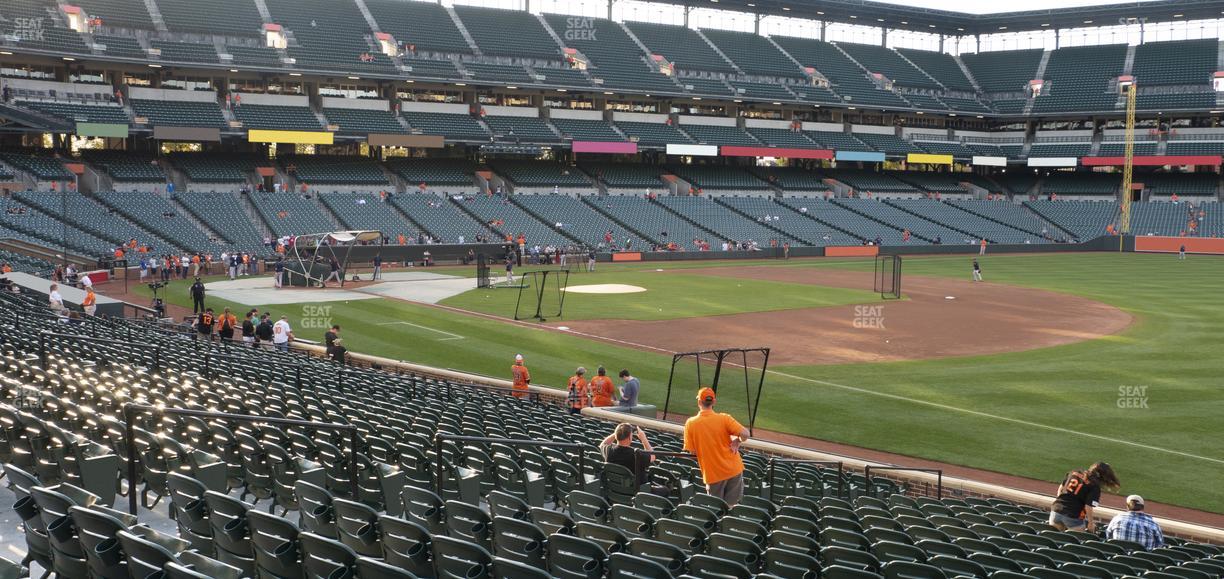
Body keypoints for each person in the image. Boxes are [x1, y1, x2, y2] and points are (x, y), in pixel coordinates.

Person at [683, 387, 750, 506]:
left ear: (699, 402)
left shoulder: (691, 423)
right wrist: (738, 441)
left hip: (713, 474)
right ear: (714, 402)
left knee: (716, 509)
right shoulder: (724, 418)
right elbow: (745, 434)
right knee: (731, 508)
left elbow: (692, 452)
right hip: (733, 469)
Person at [1049, 462, 1120, 532]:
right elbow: (1088, 507)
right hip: (1073, 516)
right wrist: (1090, 523)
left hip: (1056, 510)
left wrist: (1060, 503)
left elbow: (1061, 488)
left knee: (1055, 537)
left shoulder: (1074, 472)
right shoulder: (1094, 486)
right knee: (1076, 541)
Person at [599, 423, 667, 494]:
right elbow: (653, 456)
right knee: (665, 490)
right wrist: (643, 439)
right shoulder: (636, 454)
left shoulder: (609, 450)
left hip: (615, 490)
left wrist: (617, 433)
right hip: (638, 492)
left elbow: (602, 445)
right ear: (629, 437)